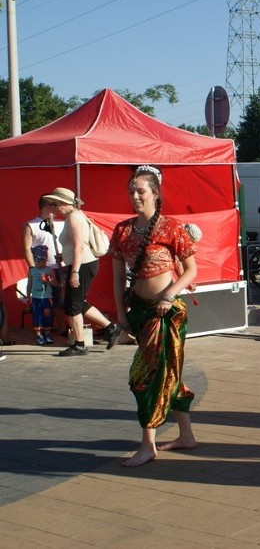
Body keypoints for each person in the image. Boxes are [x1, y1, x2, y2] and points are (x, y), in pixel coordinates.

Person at [109, 165, 199, 467]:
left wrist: (168, 295)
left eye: (141, 191)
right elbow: (117, 277)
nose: (135, 196)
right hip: (141, 313)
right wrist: (122, 318)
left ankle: (147, 445)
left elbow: (191, 271)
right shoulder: (122, 230)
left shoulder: (170, 227)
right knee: (167, 374)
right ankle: (186, 436)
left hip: (167, 314)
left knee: (146, 377)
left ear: (155, 194)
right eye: (131, 191)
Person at [44, 187, 122, 357]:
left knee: (72, 306)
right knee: (78, 302)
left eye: (55, 204)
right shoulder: (76, 216)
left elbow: (79, 246)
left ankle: (79, 344)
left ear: (64, 203)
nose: (54, 208)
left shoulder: (73, 218)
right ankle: (111, 328)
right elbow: (76, 246)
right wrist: (63, 256)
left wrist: (74, 272)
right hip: (84, 263)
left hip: (82, 264)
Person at [26, 245, 59, 345]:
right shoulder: (32, 271)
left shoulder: (49, 270)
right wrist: (28, 296)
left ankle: (47, 335)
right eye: (40, 262)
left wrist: (49, 279)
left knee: (47, 315)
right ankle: (39, 336)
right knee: (37, 316)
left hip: (46, 297)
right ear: (35, 261)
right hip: (35, 298)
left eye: (44, 261)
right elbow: (29, 284)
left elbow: (56, 284)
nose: (42, 264)